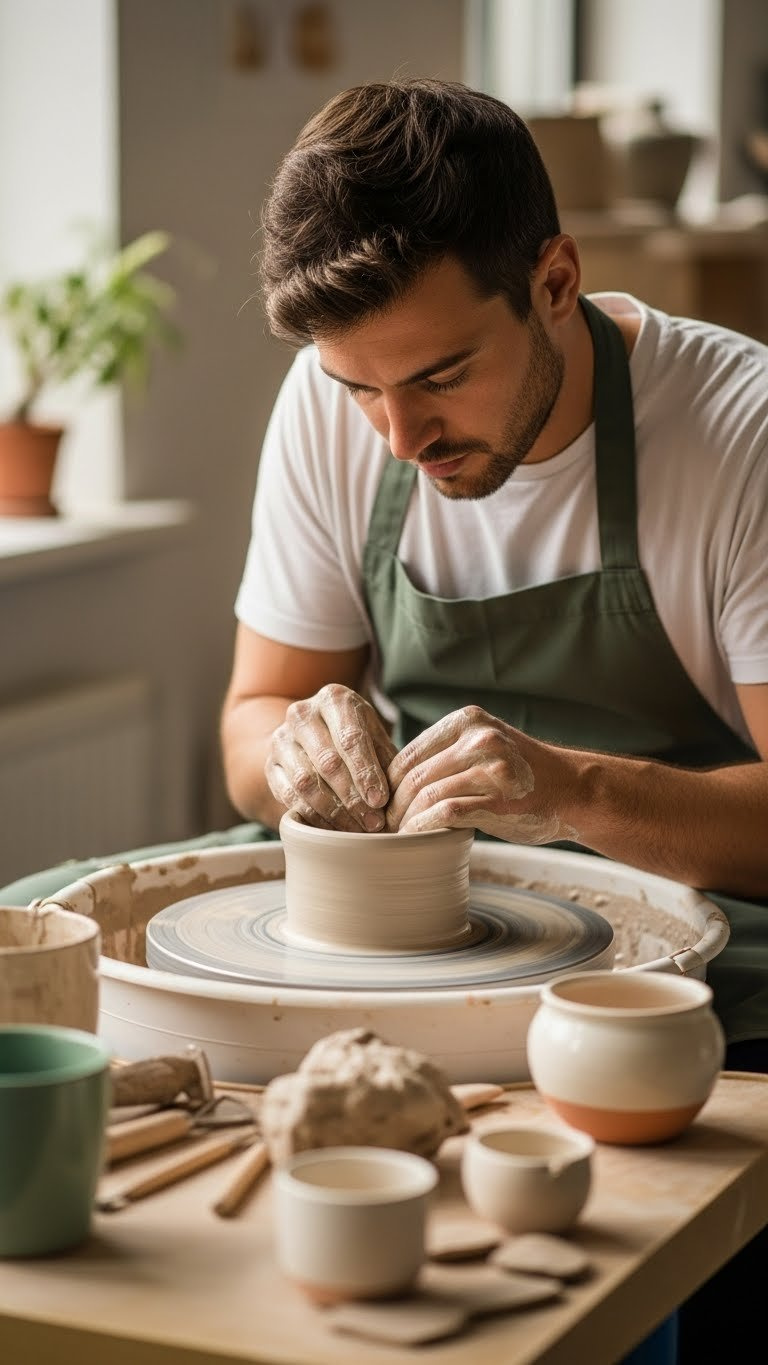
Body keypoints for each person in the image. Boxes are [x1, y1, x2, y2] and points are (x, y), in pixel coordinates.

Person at [219, 78, 768, 1363]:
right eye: (358, 389)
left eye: (441, 376)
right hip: (405, 925)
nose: (400, 434)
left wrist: (572, 790)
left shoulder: (739, 429)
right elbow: (249, 721)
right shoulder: (337, 402)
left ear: (558, 280)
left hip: (693, 920)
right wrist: (290, 763)